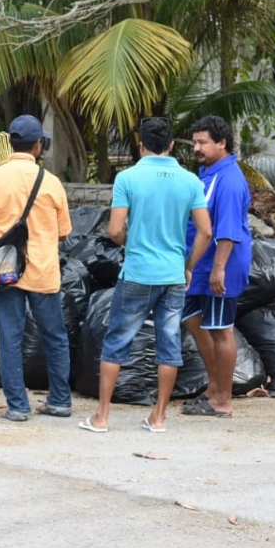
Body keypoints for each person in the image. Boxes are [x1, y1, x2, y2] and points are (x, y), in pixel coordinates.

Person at [80, 117, 212, 434]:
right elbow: (206, 231)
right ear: (171, 145)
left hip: (137, 272)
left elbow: (114, 231)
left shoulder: (128, 178)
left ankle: (102, 416)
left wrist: (132, 242)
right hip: (173, 275)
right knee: (169, 345)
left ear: (140, 145)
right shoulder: (190, 181)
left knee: (116, 342)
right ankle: (159, 417)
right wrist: (188, 265)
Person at [0, 115, 74, 421]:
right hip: (43, 271)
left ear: (10, 143)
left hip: (6, 270)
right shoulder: (51, 183)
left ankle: (17, 406)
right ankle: (60, 401)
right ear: (38, 145)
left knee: (10, 338)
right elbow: (64, 232)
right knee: (54, 336)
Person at [180, 115, 251, 419]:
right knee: (193, 320)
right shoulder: (209, 173)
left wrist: (219, 268)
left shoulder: (230, 179)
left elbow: (229, 229)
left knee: (221, 329)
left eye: (203, 142)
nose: (196, 147)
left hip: (221, 264)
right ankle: (214, 387)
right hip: (201, 263)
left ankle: (223, 399)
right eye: (195, 142)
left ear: (222, 143)